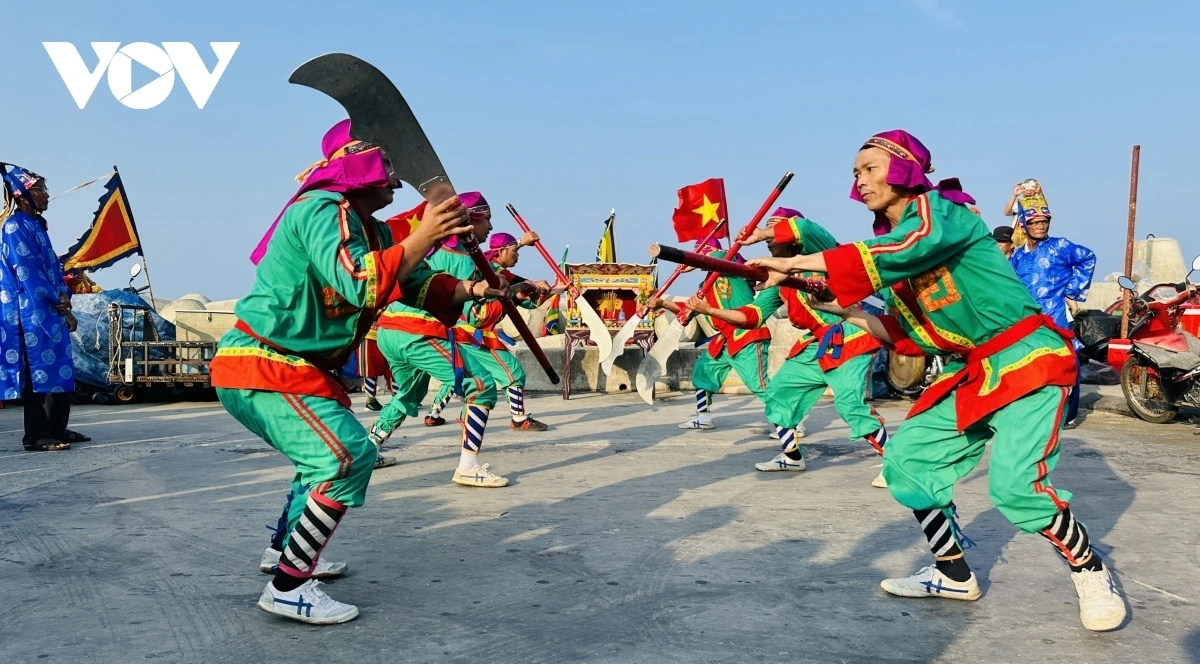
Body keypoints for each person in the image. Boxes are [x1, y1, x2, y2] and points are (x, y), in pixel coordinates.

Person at [745, 130, 1126, 632]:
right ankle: (953, 574)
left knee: (1014, 488)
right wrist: (840, 307)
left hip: (1027, 359)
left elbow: (900, 247)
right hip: (974, 371)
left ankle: (1091, 569)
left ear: (904, 168)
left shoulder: (941, 213)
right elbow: (909, 335)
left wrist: (793, 260)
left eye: (870, 168)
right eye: (855, 174)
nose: (860, 181)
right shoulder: (903, 264)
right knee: (907, 463)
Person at [211, 119, 496, 624]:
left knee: (317, 463)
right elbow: (359, 282)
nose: (396, 174)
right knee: (345, 457)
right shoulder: (321, 208)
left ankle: (284, 554)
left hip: (296, 369)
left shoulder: (377, 229)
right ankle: (288, 586)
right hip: (265, 362)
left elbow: (421, 284)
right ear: (355, 163)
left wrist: (475, 291)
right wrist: (426, 232)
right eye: (386, 162)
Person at [700, 210, 888, 486]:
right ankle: (791, 456)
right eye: (768, 233)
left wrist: (760, 233)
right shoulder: (779, 282)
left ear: (794, 239)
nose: (769, 239)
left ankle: (894, 462)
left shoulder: (823, 253)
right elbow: (751, 316)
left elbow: (806, 227)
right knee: (778, 394)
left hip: (849, 336)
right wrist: (707, 309)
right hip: (815, 345)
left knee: (849, 404)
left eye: (775, 233)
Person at [368, 195, 540, 488]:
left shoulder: (432, 246)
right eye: (486, 219)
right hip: (420, 331)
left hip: (390, 330)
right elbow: (472, 300)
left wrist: (516, 289)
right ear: (470, 219)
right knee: (482, 387)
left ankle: (369, 449)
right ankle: (468, 466)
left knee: (409, 394)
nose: (490, 226)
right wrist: (513, 287)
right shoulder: (461, 256)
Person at [422, 207, 552, 431]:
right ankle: (517, 419)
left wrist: (532, 290)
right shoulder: (471, 263)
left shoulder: (465, 260)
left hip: (447, 330)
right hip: (471, 332)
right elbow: (490, 279)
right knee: (511, 373)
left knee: (459, 376)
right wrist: (521, 245)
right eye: (514, 251)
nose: (490, 227)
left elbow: (515, 289)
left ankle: (435, 415)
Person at [644, 236, 773, 432]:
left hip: (746, 335)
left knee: (759, 385)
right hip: (724, 339)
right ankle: (703, 416)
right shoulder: (704, 286)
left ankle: (792, 424)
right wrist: (662, 303)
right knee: (703, 370)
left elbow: (720, 256)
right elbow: (688, 310)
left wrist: (690, 259)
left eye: (700, 253)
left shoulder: (730, 267)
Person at [0, 164, 86, 451]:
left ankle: (57, 428)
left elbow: (52, 268)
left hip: (49, 307)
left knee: (59, 367)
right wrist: (56, 298)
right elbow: (27, 272)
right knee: (38, 371)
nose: (47, 194)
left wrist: (64, 297)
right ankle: (35, 436)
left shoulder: (36, 226)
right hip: (28, 311)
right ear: (22, 195)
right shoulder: (14, 227)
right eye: (40, 190)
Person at [1006, 190, 1096, 427]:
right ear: (1025, 225)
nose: (1040, 226)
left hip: (1057, 315)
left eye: (1044, 222)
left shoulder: (1061, 246)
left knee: (1068, 362)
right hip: (1028, 320)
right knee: (1029, 364)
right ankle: (1037, 412)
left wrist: (1072, 290)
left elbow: (1088, 257)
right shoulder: (1018, 258)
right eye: (1035, 222)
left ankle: (1068, 413)